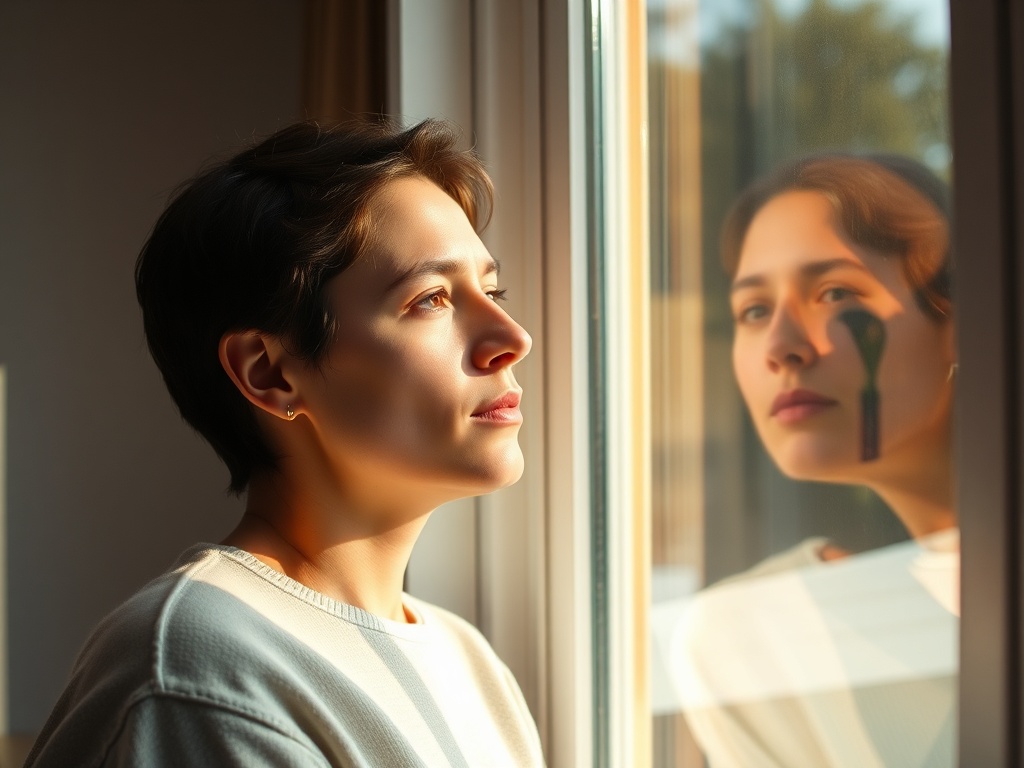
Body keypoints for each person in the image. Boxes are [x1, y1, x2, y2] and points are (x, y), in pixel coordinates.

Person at [25, 118, 544, 767]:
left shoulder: (468, 663)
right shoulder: (204, 677)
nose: (512, 336)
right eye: (431, 299)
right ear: (269, 372)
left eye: (492, 290)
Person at [661, 154, 958, 767]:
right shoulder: (751, 636)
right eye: (754, 310)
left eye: (834, 293)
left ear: (958, 321)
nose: (781, 347)